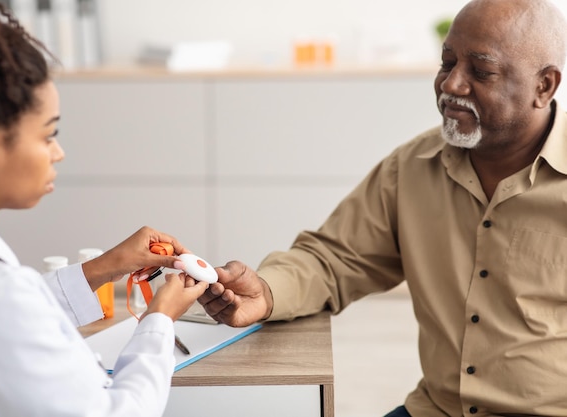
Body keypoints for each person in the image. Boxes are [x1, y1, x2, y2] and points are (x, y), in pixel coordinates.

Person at [198, 0, 567, 415]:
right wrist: (266, 292)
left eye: (481, 72)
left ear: (544, 86)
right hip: (438, 409)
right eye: (447, 63)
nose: (452, 85)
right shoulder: (412, 166)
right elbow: (335, 258)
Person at [0, 1, 209, 416]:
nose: (59, 153)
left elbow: (15, 320)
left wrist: (105, 267)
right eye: (48, 135)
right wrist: (160, 321)